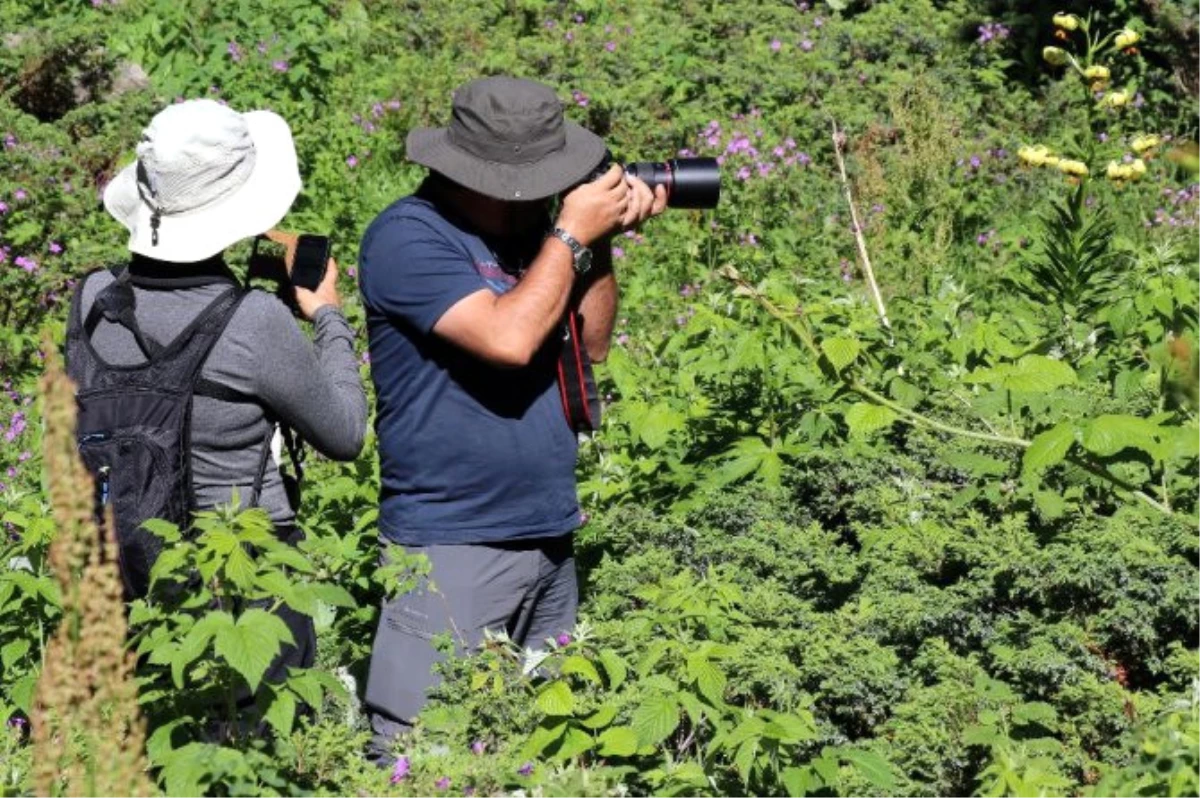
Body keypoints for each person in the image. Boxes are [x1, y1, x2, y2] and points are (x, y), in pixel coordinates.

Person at [358, 75, 667, 757]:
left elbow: (591, 344)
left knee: (544, 749)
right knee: (414, 754)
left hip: (548, 538)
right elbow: (509, 338)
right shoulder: (407, 237)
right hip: (444, 547)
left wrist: (600, 241)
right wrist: (570, 231)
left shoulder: (538, 238)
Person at [68, 98, 368, 698]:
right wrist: (327, 315)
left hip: (134, 568)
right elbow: (346, 435)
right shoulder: (253, 321)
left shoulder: (93, 297)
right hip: (246, 571)